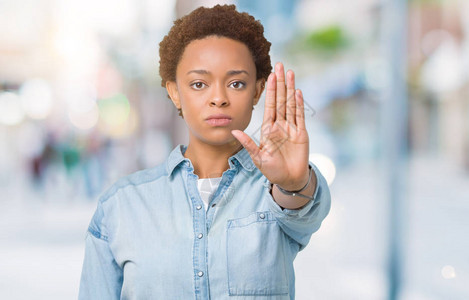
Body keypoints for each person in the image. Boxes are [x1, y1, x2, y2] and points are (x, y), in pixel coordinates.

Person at [79, 4, 331, 299]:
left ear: (257, 91)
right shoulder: (120, 206)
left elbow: (305, 211)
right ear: (175, 92)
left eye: (236, 83)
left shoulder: (275, 191)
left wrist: (292, 185)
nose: (219, 99)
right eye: (199, 84)